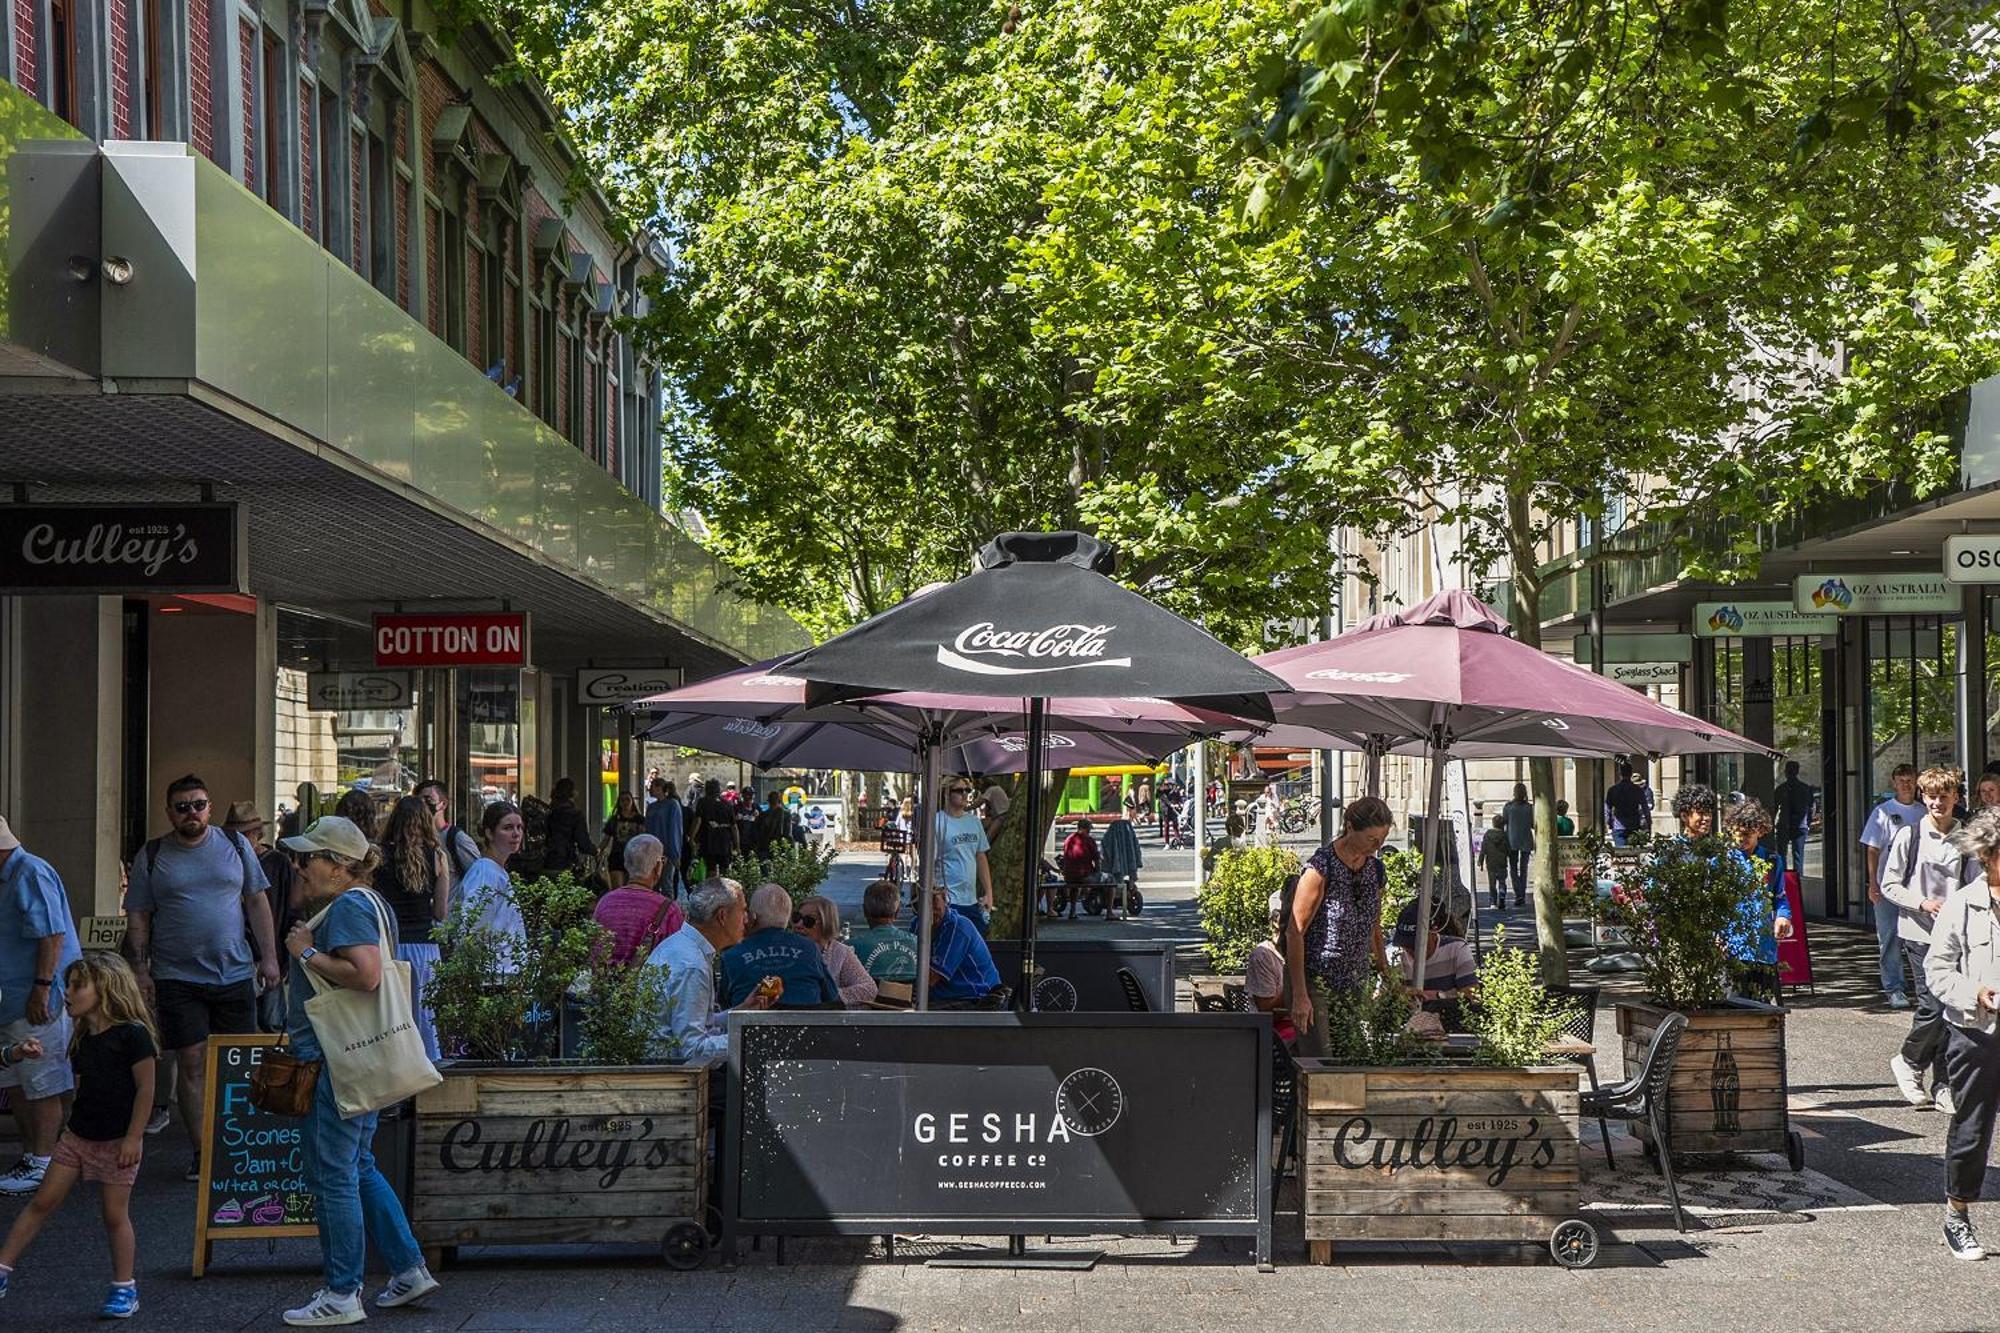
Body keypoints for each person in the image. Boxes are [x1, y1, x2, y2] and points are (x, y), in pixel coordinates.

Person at [275, 816, 437, 1325]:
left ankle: (342, 1293)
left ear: (339, 866)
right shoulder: (370, 903)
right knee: (359, 1166)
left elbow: (365, 975)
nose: (300, 868)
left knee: (334, 1175)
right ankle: (408, 1268)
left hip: (333, 1059)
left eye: (309, 858)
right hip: (359, 1059)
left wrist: (306, 952)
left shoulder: (346, 907)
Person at [123, 774, 277, 1180]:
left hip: (235, 972)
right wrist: (140, 969)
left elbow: (257, 901)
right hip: (177, 975)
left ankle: (240, 1143)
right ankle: (204, 1151)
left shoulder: (235, 845)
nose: (192, 812)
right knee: (190, 1062)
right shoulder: (152, 855)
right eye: (182, 806)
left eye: (199, 804)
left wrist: (270, 957)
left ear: (209, 807)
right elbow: (138, 915)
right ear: (169, 811)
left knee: (238, 1063)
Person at [0, 953, 156, 1318]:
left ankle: (124, 1287)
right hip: (78, 1138)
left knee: (114, 1215)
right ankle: (3, 1269)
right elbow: (82, 1085)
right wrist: (21, 1052)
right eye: (67, 985)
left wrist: (134, 1137)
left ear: (104, 989)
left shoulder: (133, 1035)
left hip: (118, 1140)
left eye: (76, 986)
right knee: (42, 1201)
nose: (67, 993)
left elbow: (146, 1089)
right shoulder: (81, 1036)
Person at [1926, 807, 2000, 1259]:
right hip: (1975, 1034)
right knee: (1972, 1131)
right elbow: (1937, 971)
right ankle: (1958, 1214)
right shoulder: (1962, 904)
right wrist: (1974, 991)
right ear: (1990, 855)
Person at [1884, 767, 1975, 1112]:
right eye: (1931, 796)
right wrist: (1921, 903)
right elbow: (1890, 884)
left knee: (1954, 1010)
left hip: (1957, 937)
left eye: (1944, 796)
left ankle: (1944, 1085)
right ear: (1923, 798)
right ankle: (1908, 1060)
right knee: (1933, 1006)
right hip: (1919, 933)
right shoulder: (1910, 836)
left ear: (1955, 798)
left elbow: (1974, 883)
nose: (1937, 802)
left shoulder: (1966, 837)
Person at [0, 817, 83, 1198]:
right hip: (12, 998)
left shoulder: (29, 871)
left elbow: (53, 934)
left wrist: (42, 989)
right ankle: (34, 1156)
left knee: (43, 1081)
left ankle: (44, 1160)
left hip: (35, 997)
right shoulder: (11, 874)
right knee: (17, 1082)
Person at [1286, 796, 1394, 1059]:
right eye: (1371, 839)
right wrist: (1300, 994)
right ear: (1350, 827)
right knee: (1320, 1061)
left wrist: (1386, 972)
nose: (1378, 846)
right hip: (1316, 980)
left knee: (1354, 1059)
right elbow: (1294, 932)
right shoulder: (1321, 867)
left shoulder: (1376, 870)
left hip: (1355, 981)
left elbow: (1374, 927)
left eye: (1382, 838)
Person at [645, 878, 774, 1062]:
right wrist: (751, 1038)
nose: (747, 919)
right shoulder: (692, 965)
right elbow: (692, 1050)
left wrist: (741, 1011)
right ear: (722, 916)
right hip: (669, 1079)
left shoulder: (684, 948)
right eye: (743, 910)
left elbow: (695, 1024)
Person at [371, 796, 450, 1064]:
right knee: (426, 1019)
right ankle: (427, 1073)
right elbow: (440, 912)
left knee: (393, 1017)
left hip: (390, 945)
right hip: (425, 948)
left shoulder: (379, 855)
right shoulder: (437, 857)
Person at [224, 802, 297, 1032]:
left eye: (246, 835)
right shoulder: (227, 861)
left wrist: (283, 957)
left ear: (257, 834)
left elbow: (290, 910)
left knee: (271, 1022)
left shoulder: (277, 862)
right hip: (236, 956)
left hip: (269, 953)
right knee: (239, 1025)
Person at [718, 883, 841, 1009]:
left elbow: (724, 1006)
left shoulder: (731, 955)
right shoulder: (810, 948)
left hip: (749, 1027)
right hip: (805, 1027)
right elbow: (833, 1000)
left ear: (753, 917)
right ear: (787, 918)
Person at [1720, 797, 1794, 1002]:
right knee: (1733, 1003)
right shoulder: (1723, 860)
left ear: (1760, 831)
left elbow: (1780, 898)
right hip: (1732, 949)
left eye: (1746, 835)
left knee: (1761, 1006)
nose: (1740, 840)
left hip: (1764, 950)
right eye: (1736, 834)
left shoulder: (1772, 860)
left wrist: (1782, 917)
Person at [1864, 764, 1925, 1008]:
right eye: (1901, 780)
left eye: (1909, 780)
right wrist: (1873, 883)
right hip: (1889, 886)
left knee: (1920, 939)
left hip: (1917, 887)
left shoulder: (1923, 811)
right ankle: (1894, 987)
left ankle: (1923, 986)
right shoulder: (1883, 812)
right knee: (1889, 938)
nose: (1905, 785)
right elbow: (1872, 848)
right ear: (1893, 783)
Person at [591, 835, 684, 968]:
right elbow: (677, 959)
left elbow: (594, 950)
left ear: (626, 864)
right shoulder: (669, 911)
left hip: (604, 984)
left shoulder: (605, 903)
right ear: (658, 866)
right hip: (649, 987)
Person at [1388, 900, 1478, 1031]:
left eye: (1415, 944)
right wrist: (1401, 993)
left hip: (1450, 1027)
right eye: (1406, 945)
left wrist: (1438, 997)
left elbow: (1472, 994)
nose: (1411, 950)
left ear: (1434, 931)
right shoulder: (1395, 955)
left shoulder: (1457, 948)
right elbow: (1378, 998)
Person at [455, 802, 528, 957]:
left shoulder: (496, 870)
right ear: (489, 833)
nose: (516, 834)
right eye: (507, 828)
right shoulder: (485, 873)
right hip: (492, 975)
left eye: (519, 827)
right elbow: (473, 929)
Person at [792, 896, 877, 1007]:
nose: (799, 925)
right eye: (796, 918)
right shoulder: (785, 950)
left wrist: (829, 996)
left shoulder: (840, 953)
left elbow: (869, 989)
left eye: (808, 921)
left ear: (825, 923)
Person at [934, 778, 993, 934]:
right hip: (949, 900)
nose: (965, 794)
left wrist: (989, 893)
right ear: (947, 793)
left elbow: (981, 857)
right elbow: (927, 864)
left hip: (972, 900)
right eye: (959, 791)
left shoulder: (974, 822)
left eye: (967, 790)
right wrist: (936, 895)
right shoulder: (936, 822)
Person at [926, 889, 1003, 1008]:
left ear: (945, 899)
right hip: (947, 997)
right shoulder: (917, 924)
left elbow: (931, 978)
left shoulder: (957, 927)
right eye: (925, 903)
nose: (931, 909)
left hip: (977, 997)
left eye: (934, 901)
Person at [1245, 878, 1298, 1046]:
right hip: (1271, 1036)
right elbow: (1266, 1011)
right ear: (1275, 923)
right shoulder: (1263, 955)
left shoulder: (1305, 950)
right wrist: (1296, 982)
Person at [846, 880, 920, 984]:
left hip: (867, 1000)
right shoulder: (919, 944)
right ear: (897, 912)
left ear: (865, 911)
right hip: (911, 999)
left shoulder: (850, 948)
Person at [413, 781, 480, 882]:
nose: (423, 806)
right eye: (418, 802)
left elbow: (479, 878)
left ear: (443, 804)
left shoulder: (457, 839)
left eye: (428, 799)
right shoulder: (414, 838)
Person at [1772, 760, 1818, 884]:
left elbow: (1774, 808)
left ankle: (1784, 879)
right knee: (1797, 855)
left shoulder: (1782, 789)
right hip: (1796, 825)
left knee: (1784, 854)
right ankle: (1797, 881)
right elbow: (1812, 807)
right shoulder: (1804, 789)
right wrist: (1807, 823)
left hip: (1787, 825)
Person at [644, 778, 685, 896]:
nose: (650, 789)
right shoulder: (651, 806)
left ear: (659, 788)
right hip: (652, 850)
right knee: (653, 883)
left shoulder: (672, 805)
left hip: (666, 851)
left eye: (652, 786)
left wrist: (674, 853)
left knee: (666, 883)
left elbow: (675, 829)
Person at [542, 778, 590, 878]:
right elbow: (583, 842)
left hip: (546, 861)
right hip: (566, 861)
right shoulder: (576, 814)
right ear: (572, 793)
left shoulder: (549, 812)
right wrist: (594, 851)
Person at [691, 779, 739, 876]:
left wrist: (691, 837)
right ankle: (724, 890)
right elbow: (734, 827)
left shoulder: (703, 802)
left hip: (709, 841)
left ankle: (712, 890)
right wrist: (737, 845)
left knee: (710, 870)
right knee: (724, 871)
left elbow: (698, 821)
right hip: (724, 842)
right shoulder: (727, 804)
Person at [599, 792, 645, 889]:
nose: (625, 803)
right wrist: (599, 851)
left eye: (627, 799)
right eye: (622, 800)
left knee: (630, 888)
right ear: (619, 803)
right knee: (617, 888)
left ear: (632, 801)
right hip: (617, 857)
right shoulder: (614, 820)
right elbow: (606, 838)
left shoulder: (639, 819)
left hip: (633, 857)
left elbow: (643, 838)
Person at [1057, 820, 1101, 921]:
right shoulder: (1089, 840)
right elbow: (1097, 859)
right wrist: (1098, 873)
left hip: (1069, 876)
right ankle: (1110, 912)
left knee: (1075, 885)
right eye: (1089, 828)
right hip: (1084, 876)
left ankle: (1072, 911)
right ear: (1086, 828)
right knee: (1109, 880)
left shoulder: (1069, 839)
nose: (1090, 831)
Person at [1603, 764, 1654, 846]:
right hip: (1634, 826)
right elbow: (1645, 809)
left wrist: (1608, 822)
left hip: (1618, 827)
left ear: (1620, 773)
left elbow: (1607, 808)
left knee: (1621, 854)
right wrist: (1649, 824)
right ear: (1630, 773)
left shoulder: (1613, 790)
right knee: (1633, 853)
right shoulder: (1637, 790)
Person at [1503, 783, 1534, 910]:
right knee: (1524, 868)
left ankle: (1518, 894)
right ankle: (1522, 892)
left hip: (1512, 840)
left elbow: (1504, 822)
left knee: (1513, 868)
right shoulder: (1530, 808)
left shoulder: (1508, 807)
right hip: (1526, 839)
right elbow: (1533, 824)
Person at [1480, 815, 1511, 912]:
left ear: (1493, 823)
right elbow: (1508, 849)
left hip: (1491, 863)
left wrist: (1480, 861)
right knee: (1502, 882)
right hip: (1502, 862)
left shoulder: (1487, 834)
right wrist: (1510, 856)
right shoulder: (1504, 836)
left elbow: (1483, 848)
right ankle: (1502, 898)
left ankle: (1493, 902)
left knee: (1492, 884)